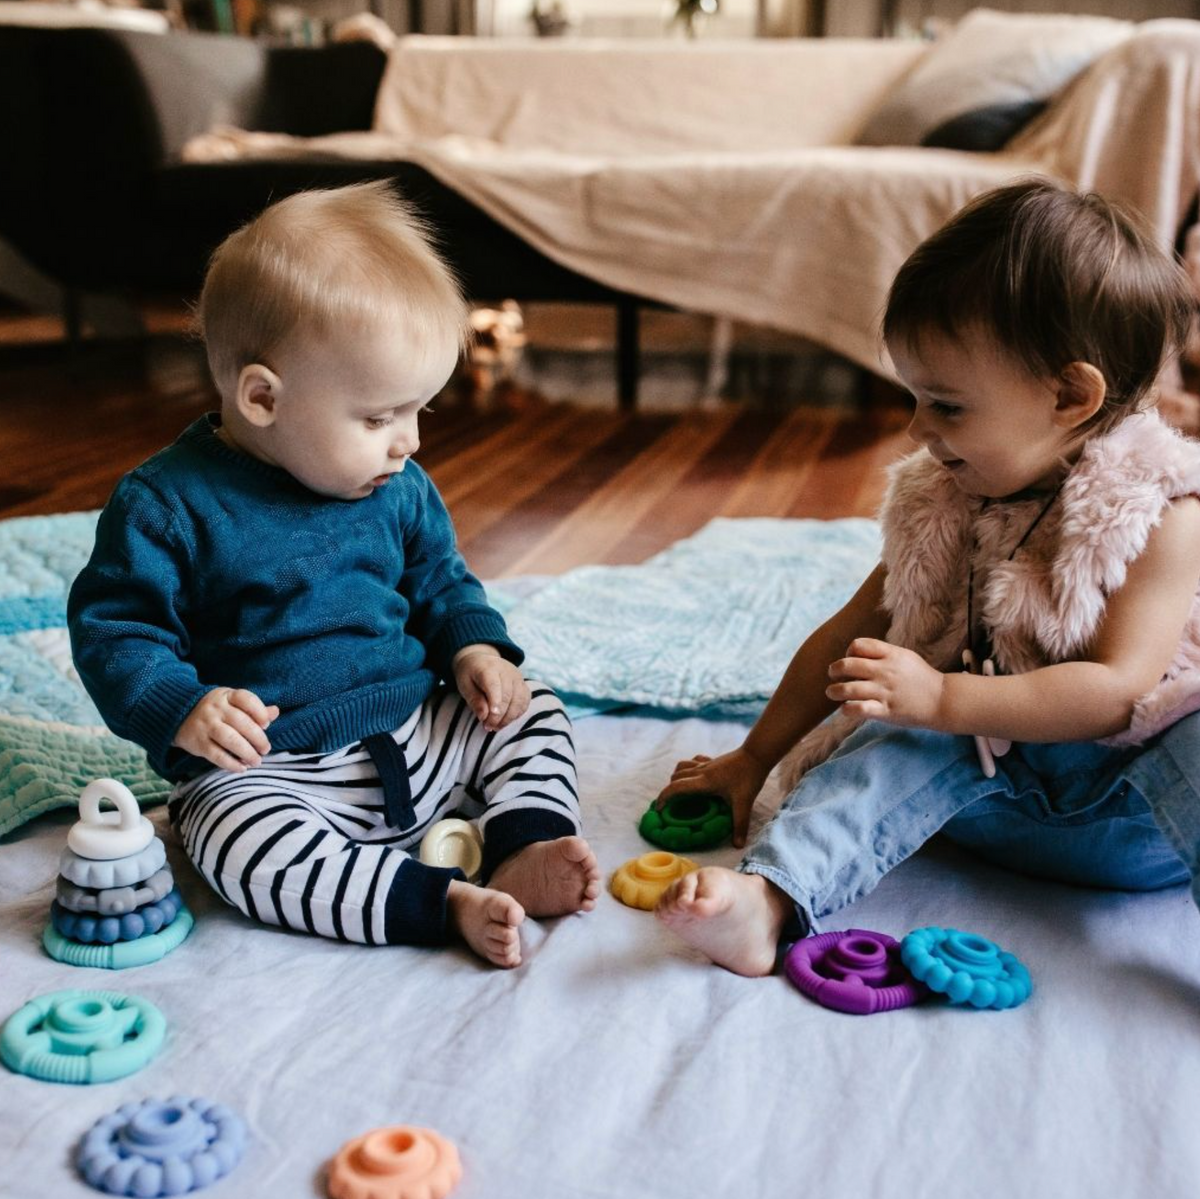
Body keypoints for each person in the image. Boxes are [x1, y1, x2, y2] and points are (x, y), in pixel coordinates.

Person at [654, 179, 1200, 976]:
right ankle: (768, 900)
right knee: (894, 724)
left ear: (1070, 396)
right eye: (915, 398)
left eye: (946, 406)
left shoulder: (1160, 511)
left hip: (1133, 819)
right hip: (988, 792)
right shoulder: (942, 499)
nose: (917, 429)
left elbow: (1119, 690)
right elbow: (849, 638)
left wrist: (947, 696)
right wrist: (754, 755)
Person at [68, 182, 600, 968]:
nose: (408, 442)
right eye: (380, 417)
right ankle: (431, 901)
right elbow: (115, 629)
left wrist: (474, 652)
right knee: (228, 839)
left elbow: (441, 580)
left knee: (536, 708)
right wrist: (183, 708)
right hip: (276, 771)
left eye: (418, 411)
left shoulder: (397, 486)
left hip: (419, 730)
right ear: (261, 397)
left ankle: (523, 839)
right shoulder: (166, 505)